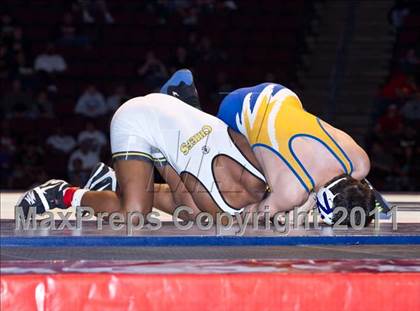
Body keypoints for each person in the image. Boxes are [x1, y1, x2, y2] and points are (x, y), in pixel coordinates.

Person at [17, 92, 267, 222]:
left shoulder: (254, 177)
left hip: (170, 133)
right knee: (134, 214)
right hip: (137, 119)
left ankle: (115, 183)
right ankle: (62, 193)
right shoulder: (255, 166)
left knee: (192, 212)